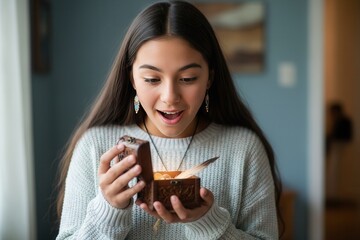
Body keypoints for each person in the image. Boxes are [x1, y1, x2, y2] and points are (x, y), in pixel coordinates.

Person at [56, 1, 282, 239]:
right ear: (132, 79)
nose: (170, 97)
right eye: (152, 79)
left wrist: (209, 223)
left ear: (209, 78)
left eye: (188, 78)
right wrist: (108, 211)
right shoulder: (96, 146)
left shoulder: (244, 149)